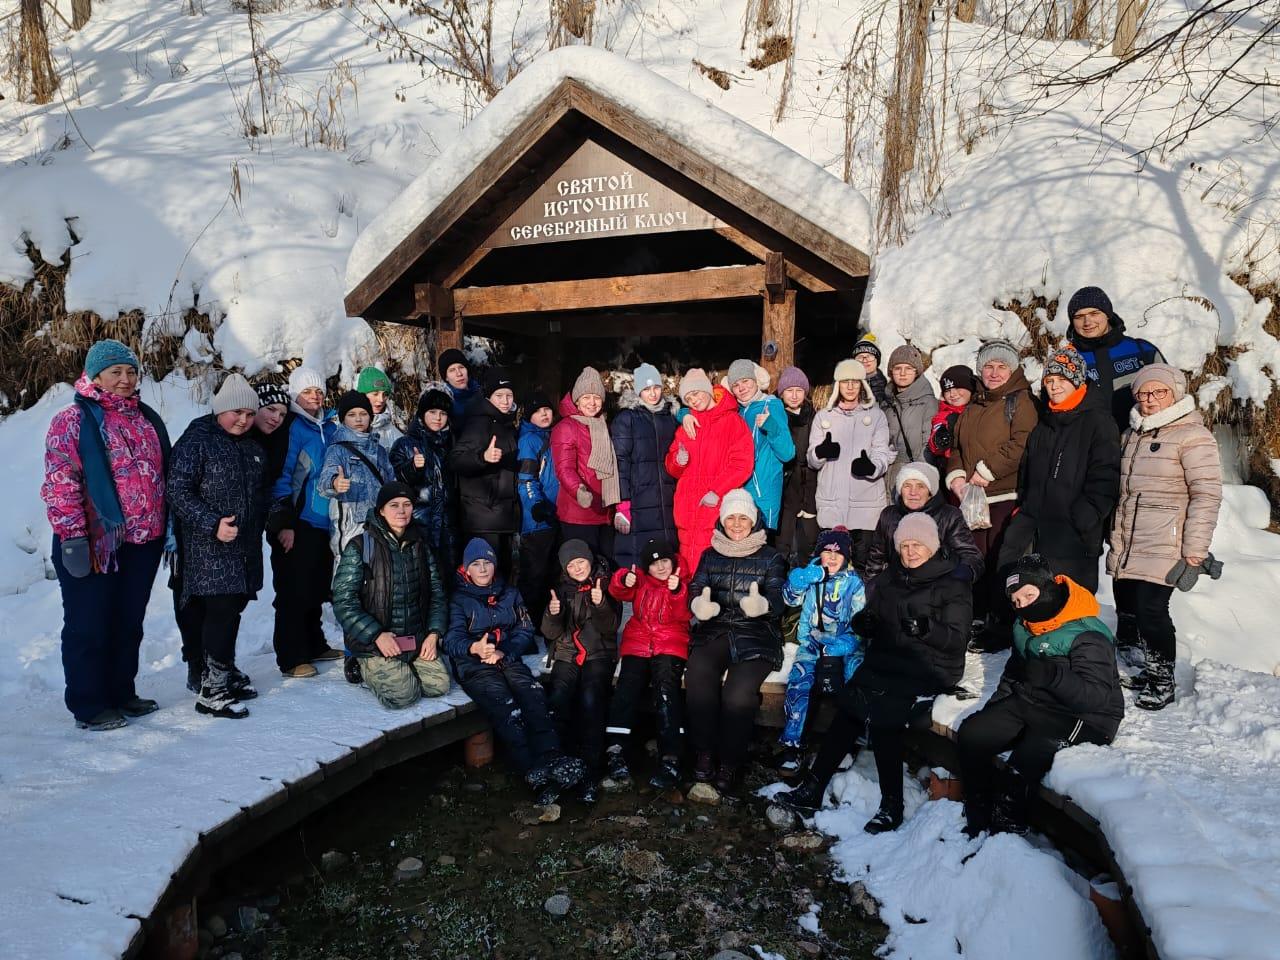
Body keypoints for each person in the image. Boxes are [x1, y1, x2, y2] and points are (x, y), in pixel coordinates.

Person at [775, 513, 970, 833]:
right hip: (890, 656)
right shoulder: (894, 576)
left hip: (929, 664)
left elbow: (956, 640)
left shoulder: (952, 583)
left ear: (932, 547)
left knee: (884, 716)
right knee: (851, 704)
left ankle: (891, 804)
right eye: (905, 545)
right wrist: (864, 623)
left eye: (916, 545)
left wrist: (927, 629)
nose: (910, 552)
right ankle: (813, 788)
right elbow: (871, 616)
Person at [42, 339, 170, 730]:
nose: (125, 379)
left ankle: (120, 692)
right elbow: (61, 480)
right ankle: (89, 705)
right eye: (115, 372)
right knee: (89, 623)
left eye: (131, 372)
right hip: (94, 543)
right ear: (94, 375)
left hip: (142, 541)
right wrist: (72, 537)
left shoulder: (145, 416)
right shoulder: (73, 419)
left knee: (127, 621)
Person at [957, 556, 1123, 836]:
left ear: (1048, 589)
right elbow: (1013, 676)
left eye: (1029, 595)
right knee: (973, 732)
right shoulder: (1025, 627)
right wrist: (996, 712)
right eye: (1017, 602)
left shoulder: (1085, 633)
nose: (1024, 605)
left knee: (1028, 755)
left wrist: (1053, 676)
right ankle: (978, 809)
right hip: (1035, 703)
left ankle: (1007, 827)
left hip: (1087, 718)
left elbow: (1097, 698)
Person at [1107, 364, 1222, 710]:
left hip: (1167, 540)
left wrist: (1196, 547)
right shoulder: (1131, 434)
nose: (1150, 399)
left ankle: (1162, 678)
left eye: (1159, 392)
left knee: (1151, 610)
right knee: (1126, 603)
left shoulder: (1192, 435)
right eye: (1143, 393)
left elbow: (1206, 494)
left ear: (1175, 394)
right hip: (1129, 537)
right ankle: (1141, 665)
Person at [443, 538, 585, 804]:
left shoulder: (509, 593)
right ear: (467, 569)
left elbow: (524, 629)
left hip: (506, 656)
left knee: (533, 696)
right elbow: (451, 640)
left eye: (487, 562)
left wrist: (504, 651)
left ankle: (553, 757)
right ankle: (533, 771)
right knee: (507, 708)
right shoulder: (459, 599)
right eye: (476, 564)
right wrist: (476, 648)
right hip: (474, 664)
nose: (483, 569)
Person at [167, 374, 271, 719]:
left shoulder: (252, 446)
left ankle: (222, 671)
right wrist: (212, 524)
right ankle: (212, 686)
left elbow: (260, 495)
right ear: (221, 409)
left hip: (244, 546)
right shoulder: (198, 440)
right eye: (235, 412)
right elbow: (177, 491)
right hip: (208, 547)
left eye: (248, 414)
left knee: (233, 608)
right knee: (219, 612)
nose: (242, 420)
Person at [685, 489, 787, 795]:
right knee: (698, 675)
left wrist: (764, 606)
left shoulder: (772, 557)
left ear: (753, 521)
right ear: (723, 520)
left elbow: (779, 597)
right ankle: (704, 751)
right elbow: (697, 587)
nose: (737, 524)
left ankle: (730, 761)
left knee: (737, 694)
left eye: (744, 517)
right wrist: (699, 606)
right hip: (715, 629)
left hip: (755, 633)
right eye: (731, 517)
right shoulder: (709, 553)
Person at [998, 345, 1120, 592]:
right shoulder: (1044, 422)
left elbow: (1106, 476)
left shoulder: (1098, 421)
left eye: (1062, 379)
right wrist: (1024, 506)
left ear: (1077, 381)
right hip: (1031, 524)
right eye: (1049, 380)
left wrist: (1084, 517)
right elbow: (1027, 469)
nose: (1054, 386)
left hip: (1072, 532)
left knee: (1066, 604)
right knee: (1013, 591)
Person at [944, 339, 1037, 648]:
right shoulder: (974, 404)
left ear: (1012, 370)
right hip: (972, 498)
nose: (994, 373)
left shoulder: (1021, 401)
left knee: (1001, 560)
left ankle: (1001, 624)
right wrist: (956, 477)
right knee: (975, 559)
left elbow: (1023, 442)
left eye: (1001, 367)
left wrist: (986, 470)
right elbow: (956, 448)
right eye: (988, 366)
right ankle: (978, 617)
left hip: (1003, 494)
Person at [331, 482, 450, 709]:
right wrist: (376, 635)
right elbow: (344, 602)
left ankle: (402, 668)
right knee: (404, 696)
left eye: (407, 504)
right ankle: (361, 663)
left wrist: (433, 634)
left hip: (413, 639)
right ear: (381, 510)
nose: (401, 511)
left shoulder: (420, 545)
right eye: (394, 505)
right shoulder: (360, 546)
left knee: (439, 686)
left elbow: (437, 594)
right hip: (376, 642)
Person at [268, 366, 343, 679]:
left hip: (325, 522)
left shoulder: (329, 426)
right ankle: (291, 655)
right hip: (298, 521)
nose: (315, 396)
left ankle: (315, 643)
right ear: (295, 394)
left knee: (315, 586)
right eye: (307, 391)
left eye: (319, 391)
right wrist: (283, 522)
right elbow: (281, 475)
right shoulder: (292, 427)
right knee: (293, 589)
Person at [777, 527, 866, 773]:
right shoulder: (812, 574)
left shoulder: (854, 583)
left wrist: (847, 643)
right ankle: (793, 743)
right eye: (827, 552)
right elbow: (789, 599)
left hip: (844, 642)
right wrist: (801, 578)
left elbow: (861, 623)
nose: (832, 558)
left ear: (846, 556)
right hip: (812, 642)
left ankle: (849, 742)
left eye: (838, 553)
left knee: (853, 677)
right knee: (800, 679)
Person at [604, 537, 689, 789]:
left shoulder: (681, 582)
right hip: (638, 640)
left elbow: (684, 613)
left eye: (665, 561)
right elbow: (617, 590)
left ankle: (671, 756)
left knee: (666, 689)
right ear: (646, 568)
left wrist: (676, 591)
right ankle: (616, 749)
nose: (661, 568)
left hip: (670, 641)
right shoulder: (640, 580)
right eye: (654, 564)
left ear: (672, 562)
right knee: (627, 687)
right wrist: (622, 578)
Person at [541, 539, 619, 803]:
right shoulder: (560, 589)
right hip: (567, 653)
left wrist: (600, 604)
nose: (577, 568)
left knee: (591, 698)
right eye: (571, 565)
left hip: (599, 652)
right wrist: (553, 614)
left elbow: (609, 628)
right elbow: (549, 633)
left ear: (590, 561)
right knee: (559, 696)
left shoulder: (605, 584)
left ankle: (590, 767)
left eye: (581, 563)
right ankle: (557, 763)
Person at [664, 368, 753, 578]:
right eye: (687, 398)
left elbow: (742, 464)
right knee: (686, 562)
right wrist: (678, 461)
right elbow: (671, 464)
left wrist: (717, 490)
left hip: (714, 503)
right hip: (687, 506)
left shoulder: (733, 422)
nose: (693, 401)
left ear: (708, 390)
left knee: (712, 561)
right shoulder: (687, 424)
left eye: (695, 394)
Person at [806, 359, 893, 573]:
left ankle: (863, 605)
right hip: (832, 502)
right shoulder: (824, 417)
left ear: (862, 384)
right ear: (838, 385)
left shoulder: (875, 416)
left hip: (865, 505)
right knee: (831, 566)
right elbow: (811, 459)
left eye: (855, 381)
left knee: (863, 566)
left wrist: (871, 467)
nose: (851, 387)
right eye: (846, 382)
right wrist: (820, 452)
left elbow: (883, 452)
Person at [865, 461, 983, 585]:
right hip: (897, 588)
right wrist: (870, 589)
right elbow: (876, 557)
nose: (913, 492)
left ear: (930, 492)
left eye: (921, 486)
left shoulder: (949, 516)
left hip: (937, 588)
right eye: (907, 485)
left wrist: (961, 574)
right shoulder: (889, 515)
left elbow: (970, 555)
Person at [1065, 286, 1165, 433]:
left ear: (1107, 315)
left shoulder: (1143, 351)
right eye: (1079, 317)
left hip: (1141, 444)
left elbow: (1172, 399)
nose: (1087, 322)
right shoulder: (1066, 360)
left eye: (1094, 313)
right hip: (1091, 449)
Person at [448, 368, 520, 572]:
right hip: (482, 520)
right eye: (499, 396)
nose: (505, 401)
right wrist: (483, 457)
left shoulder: (506, 424)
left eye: (509, 395)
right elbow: (456, 459)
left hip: (502, 518)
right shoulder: (480, 422)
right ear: (489, 397)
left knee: (501, 578)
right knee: (485, 578)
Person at [611, 363, 678, 569]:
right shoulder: (627, 419)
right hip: (638, 498)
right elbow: (619, 463)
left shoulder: (670, 417)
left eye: (656, 388)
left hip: (666, 498)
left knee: (665, 557)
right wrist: (623, 505)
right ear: (638, 390)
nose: (653, 394)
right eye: (647, 389)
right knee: (637, 557)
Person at [551, 366, 620, 558]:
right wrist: (578, 490)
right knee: (581, 569)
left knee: (604, 570)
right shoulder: (566, 427)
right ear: (577, 400)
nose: (592, 403)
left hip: (604, 511)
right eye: (587, 397)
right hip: (578, 512)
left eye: (597, 398)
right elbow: (564, 468)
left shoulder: (603, 426)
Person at [319, 390, 394, 560]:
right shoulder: (337, 449)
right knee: (350, 576)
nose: (358, 419)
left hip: (380, 521)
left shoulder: (379, 450)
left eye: (363, 414)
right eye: (352, 415)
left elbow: (391, 482)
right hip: (351, 524)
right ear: (343, 418)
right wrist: (334, 483)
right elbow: (324, 481)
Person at [723, 357, 795, 531]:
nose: (741, 388)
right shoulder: (735, 412)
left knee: (761, 548)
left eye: (746, 381)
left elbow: (788, 453)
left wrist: (772, 427)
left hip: (764, 493)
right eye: (736, 385)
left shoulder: (771, 405)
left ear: (756, 380)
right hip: (738, 493)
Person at [391, 386, 457, 571]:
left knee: (448, 578)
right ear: (422, 414)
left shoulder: (452, 443)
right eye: (432, 412)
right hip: (419, 524)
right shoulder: (405, 444)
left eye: (443, 413)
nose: (438, 418)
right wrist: (413, 468)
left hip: (449, 526)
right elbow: (394, 482)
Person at [516, 390, 559, 628]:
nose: (544, 414)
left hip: (554, 516)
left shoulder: (553, 435)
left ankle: (547, 624)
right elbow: (526, 479)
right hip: (536, 520)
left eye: (547, 409)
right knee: (535, 576)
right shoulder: (528, 440)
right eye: (537, 411)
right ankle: (527, 625)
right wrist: (537, 505)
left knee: (552, 572)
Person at [775, 366, 820, 566]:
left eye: (799, 390)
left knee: (809, 541)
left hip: (810, 483)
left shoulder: (815, 417)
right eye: (789, 390)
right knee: (783, 541)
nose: (794, 396)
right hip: (785, 485)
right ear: (781, 393)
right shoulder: (776, 417)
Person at [883, 344, 939, 488]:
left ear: (917, 372)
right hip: (889, 475)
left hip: (915, 476)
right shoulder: (887, 403)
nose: (903, 373)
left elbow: (929, 443)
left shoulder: (928, 402)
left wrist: (917, 477)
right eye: (897, 368)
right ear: (891, 372)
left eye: (908, 368)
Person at [926, 365, 975, 474]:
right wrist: (939, 440)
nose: (953, 394)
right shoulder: (944, 415)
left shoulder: (981, 408)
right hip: (954, 468)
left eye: (957, 388)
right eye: (947, 390)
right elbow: (934, 440)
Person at [251, 381, 292, 482]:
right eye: (271, 409)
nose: (276, 418)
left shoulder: (279, 442)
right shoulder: (232, 438)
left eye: (282, 414)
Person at [357, 366, 404, 452]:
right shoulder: (346, 427)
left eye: (385, 394)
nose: (381, 399)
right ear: (362, 395)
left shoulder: (389, 429)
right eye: (375, 394)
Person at [439, 347, 477, 424]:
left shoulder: (481, 393)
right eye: (452, 370)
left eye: (461, 367)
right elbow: (414, 434)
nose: (459, 374)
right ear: (446, 377)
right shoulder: (440, 401)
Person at [853, 335, 889, 405]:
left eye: (869, 356)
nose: (865, 360)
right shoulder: (843, 385)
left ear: (877, 360)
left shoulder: (888, 389)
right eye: (860, 357)